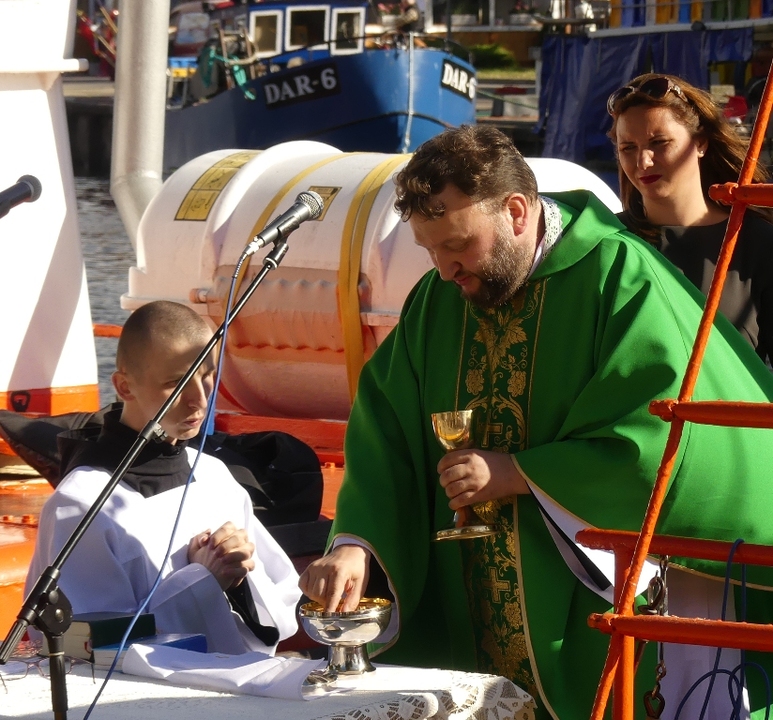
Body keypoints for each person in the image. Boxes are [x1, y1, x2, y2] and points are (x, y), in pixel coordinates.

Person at [300, 125, 773, 719]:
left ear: (517, 212)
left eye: (457, 244)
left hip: (588, 600)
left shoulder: (620, 277)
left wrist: (519, 473)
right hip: (468, 602)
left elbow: (659, 436)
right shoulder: (438, 302)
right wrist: (356, 545)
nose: (444, 270)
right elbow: (386, 434)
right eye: (429, 250)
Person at [26, 301, 301, 655]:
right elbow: (87, 647)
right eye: (176, 384)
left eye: (207, 375)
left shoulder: (213, 474)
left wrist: (240, 576)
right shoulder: (82, 504)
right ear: (125, 387)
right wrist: (203, 580)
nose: (198, 400)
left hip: (243, 675)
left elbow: (284, 602)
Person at [608, 72, 773, 365]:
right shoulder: (608, 240)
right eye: (628, 148)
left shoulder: (757, 242)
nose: (643, 161)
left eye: (659, 142)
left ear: (700, 144)